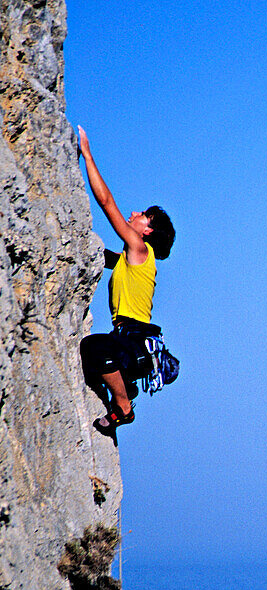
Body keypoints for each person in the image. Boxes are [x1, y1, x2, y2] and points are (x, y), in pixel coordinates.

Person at [77, 126, 175, 432]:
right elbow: (103, 258)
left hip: (134, 339)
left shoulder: (139, 248)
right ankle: (125, 389)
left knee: (93, 348)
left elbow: (107, 204)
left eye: (143, 215)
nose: (135, 212)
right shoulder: (130, 259)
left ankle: (123, 405)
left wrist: (87, 156)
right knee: (95, 359)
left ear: (146, 232)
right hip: (129, 340)